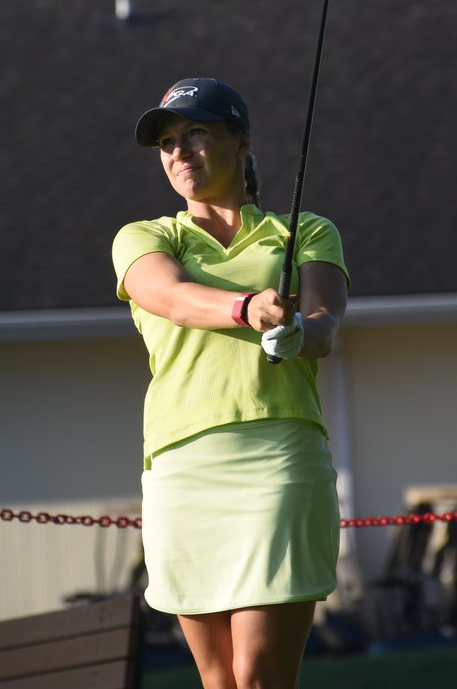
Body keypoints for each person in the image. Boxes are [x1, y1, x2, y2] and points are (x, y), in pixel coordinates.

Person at [112, 77, 349, 689]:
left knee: (260, 678)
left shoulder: (309, 231)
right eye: (166, 142)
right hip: (182, 466)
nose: (179, 152)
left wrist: (298, 327)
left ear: (240, 142)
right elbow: (168, 296)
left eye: (196, 133)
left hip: (279, 458)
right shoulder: (145, 237)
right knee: (219, 683)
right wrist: (250, 309)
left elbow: (325, 327)